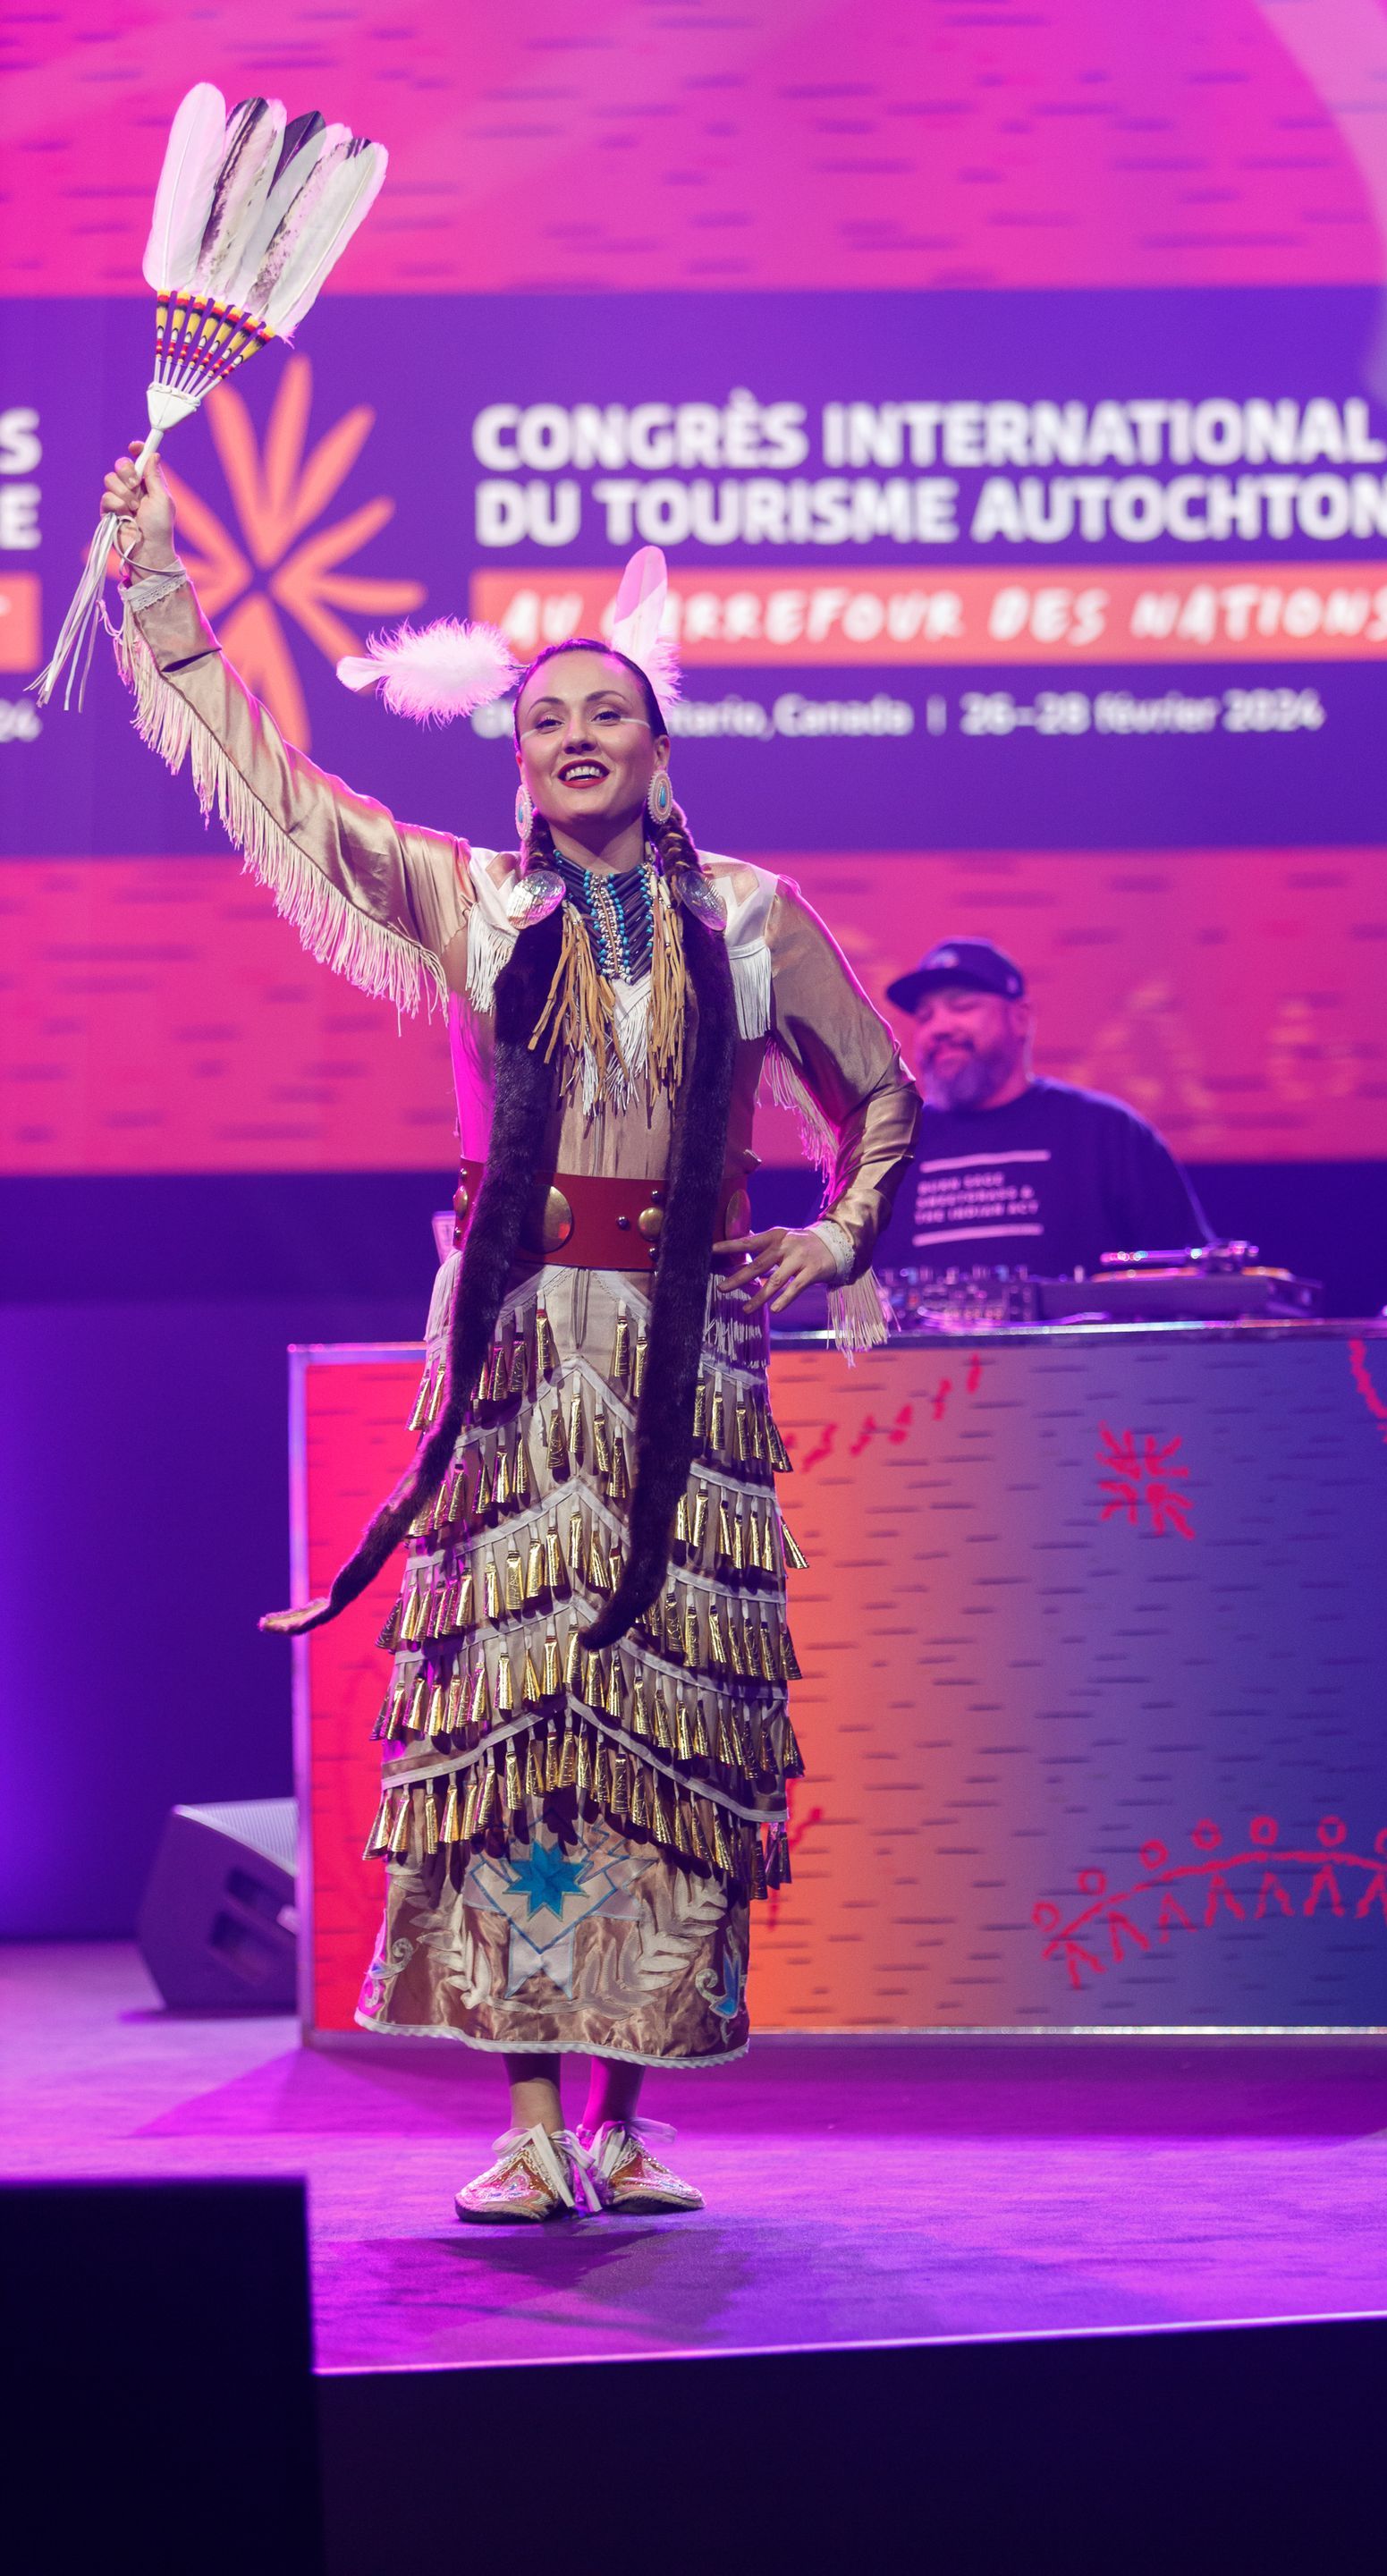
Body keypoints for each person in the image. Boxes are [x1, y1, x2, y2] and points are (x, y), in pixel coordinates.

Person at [100, 443, 918, 2224]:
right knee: (516, 1718)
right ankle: (532, 2115)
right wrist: (159, 598)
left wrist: (836, 1237)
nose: (573, 738)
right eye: (546, 716)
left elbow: (880, 1096)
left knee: (662, 1718)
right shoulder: (470, 899)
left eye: (606, 712)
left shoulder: (756, 918)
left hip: (687, 1360)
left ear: (659, 742)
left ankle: (629, 2114)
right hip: (519, 1350)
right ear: (516, 752)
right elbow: (285, 795)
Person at [875, 937, 1208, 1276]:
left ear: (1020, 1018)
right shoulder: (886, 1148)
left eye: (962, 1007)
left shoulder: (1108, 1133)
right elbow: (825, 1286)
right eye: (925, 1016)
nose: (939, 1028)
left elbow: (1188, 1280)